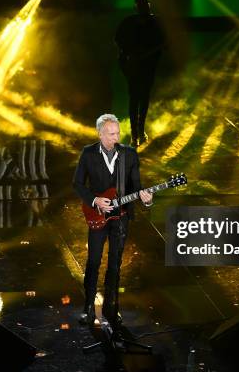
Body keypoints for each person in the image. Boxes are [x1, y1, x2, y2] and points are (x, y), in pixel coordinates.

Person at [73, 114, 152, 327]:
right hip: (98, 215)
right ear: (100, 134)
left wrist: (145, 198)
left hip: (121, 217)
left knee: (115, 265)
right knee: (93, 261)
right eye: (111, 134)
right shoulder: (88, 154)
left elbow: (137, 186)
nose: (115, 138)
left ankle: (112, 308)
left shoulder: (129, 154)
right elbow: (78, 184)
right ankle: (88, 308)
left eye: (117, 133)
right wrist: (95, 200)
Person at [115, 0, 164, 147]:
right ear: (137, 6)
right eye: (141, 4)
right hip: (135, 67)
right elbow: (118, 39)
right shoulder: (133, 22)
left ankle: (138, 133)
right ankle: (137, 134)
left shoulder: (154, 22)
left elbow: (162, 44)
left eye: (145, 3)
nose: (144, 6)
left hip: (144, 67)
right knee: (138, 99)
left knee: (139, 99)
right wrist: (129, 55)